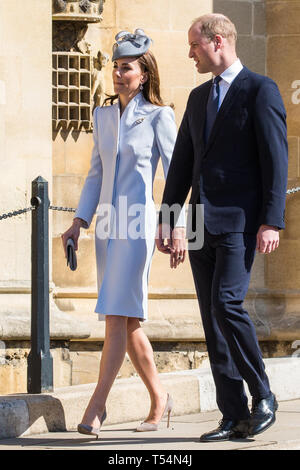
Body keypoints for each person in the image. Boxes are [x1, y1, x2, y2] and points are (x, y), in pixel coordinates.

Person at [156, 13, 288, 442]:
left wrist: (272, 220)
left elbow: (275, 158)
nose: (190, 53)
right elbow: (181, 166)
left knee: (228, 304)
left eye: (194, 45)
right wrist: (168, 218)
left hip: (241, 222)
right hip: (199, 225)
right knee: (212, 320)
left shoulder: (259, 90)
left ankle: (263, 394)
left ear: (216, 41)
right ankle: (232, 414)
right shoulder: (197, 98)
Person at [61, 28, 185, 438]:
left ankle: (97, 407)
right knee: (126, 320)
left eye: (126, 68)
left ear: (144, 73)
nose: (117, 74)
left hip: (138, 228)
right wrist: (79, 222)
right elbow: (95, 175)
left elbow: (177, 175)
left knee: (116, 315)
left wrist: (177, 226)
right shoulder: (103, 115)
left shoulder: (160, 116)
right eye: (115, 67)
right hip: (107, 229)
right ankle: (159, 397)